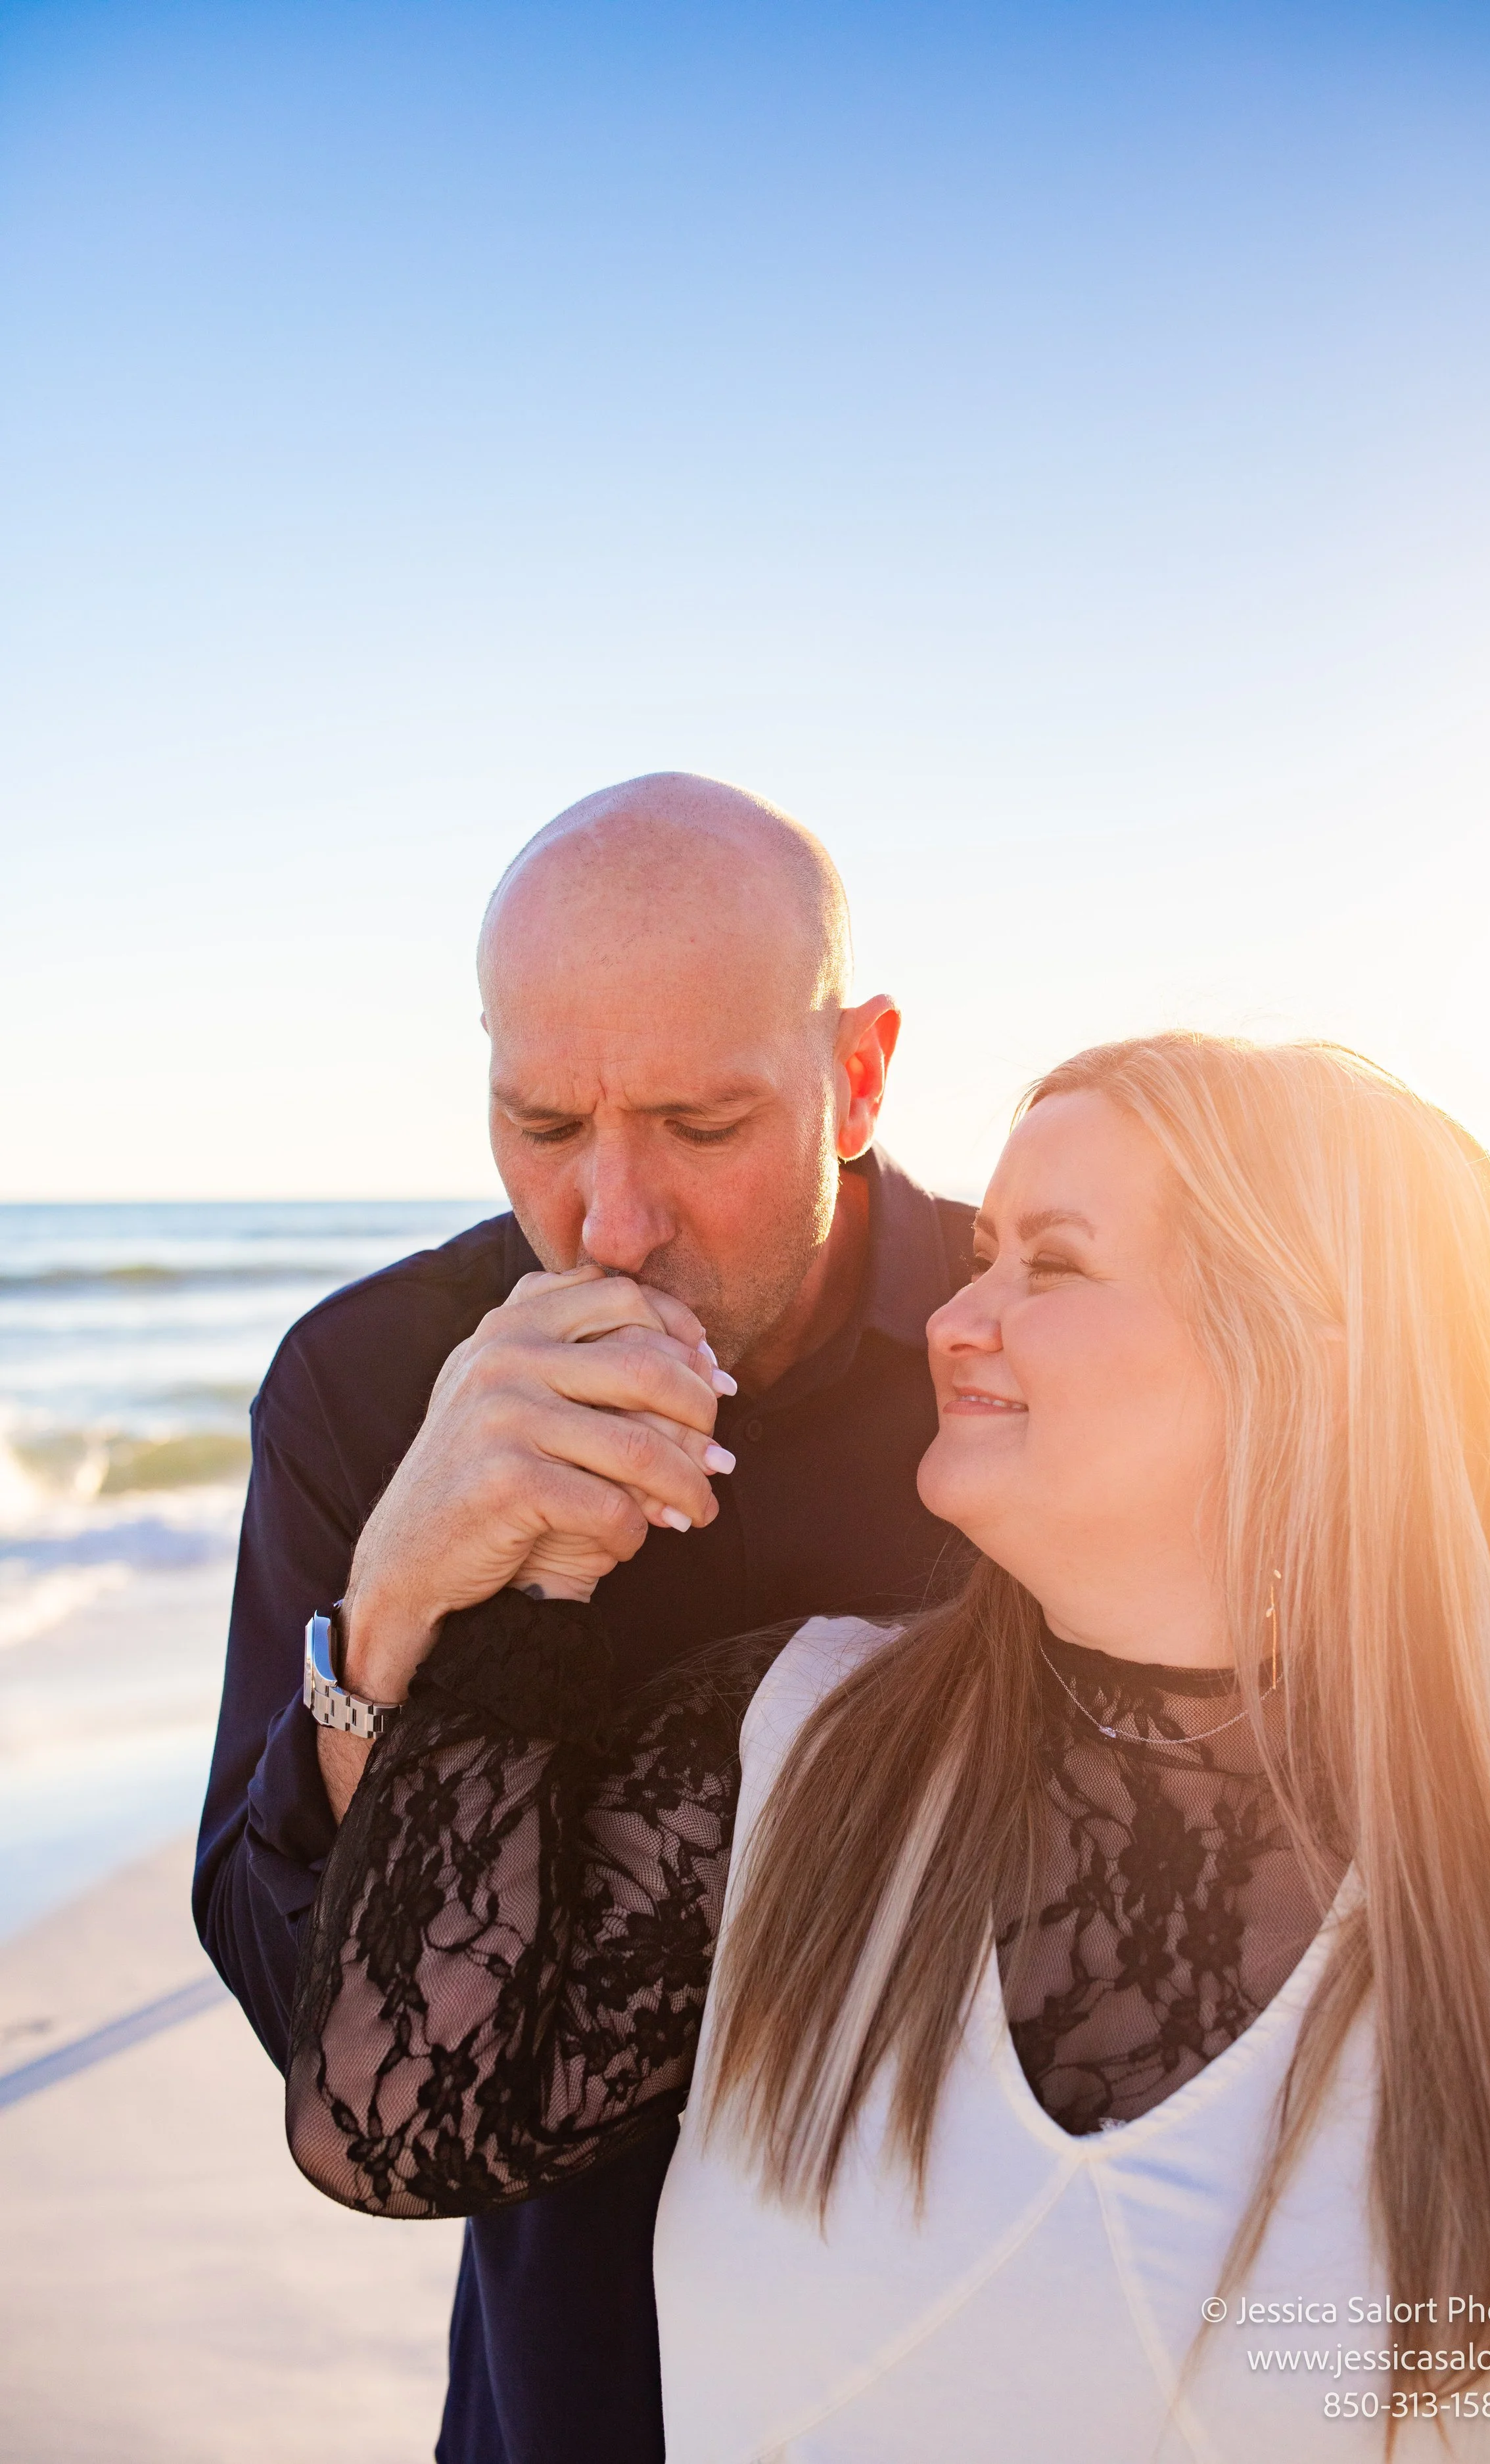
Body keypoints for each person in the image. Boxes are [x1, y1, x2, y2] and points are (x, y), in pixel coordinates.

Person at [287, 1034, 1490, 2464]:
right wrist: (519, 1572)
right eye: (979, 1255)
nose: (953, 1320)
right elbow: (394, 2131)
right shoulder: (792, 1743)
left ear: (1309, 1364)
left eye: (1048, 1268)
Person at [193, 774, 975, 2464]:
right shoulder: (363, 1381)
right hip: (575, 2394)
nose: (611, 1223)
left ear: (855, 1076)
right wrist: (397, 1598)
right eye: (544, 1126)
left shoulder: (1026, 1361)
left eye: (701, 1128)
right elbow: (295, 2016)